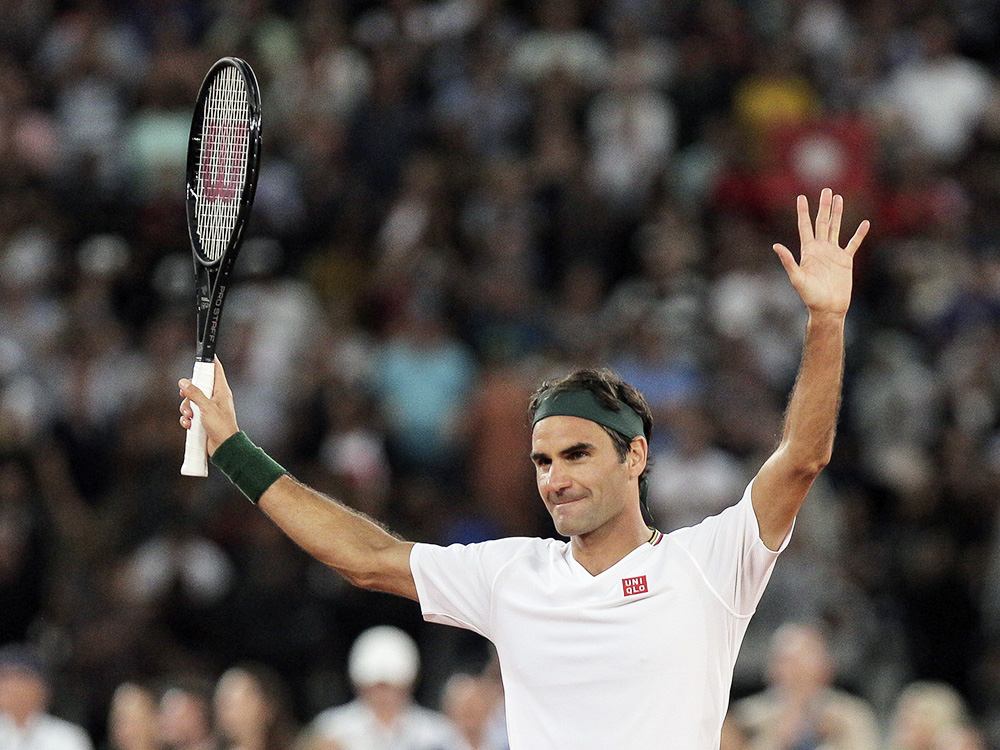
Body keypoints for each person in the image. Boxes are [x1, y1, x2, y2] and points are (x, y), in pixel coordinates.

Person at [179, 189, 869, 748]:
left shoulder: (709, 565)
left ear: (636, 456)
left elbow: (801, 458)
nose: (554, 478)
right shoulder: (512, 576)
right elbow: (368, 557)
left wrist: (826, 321)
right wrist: (233, 448)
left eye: (576, 455)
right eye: (542, 460)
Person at [304, 625, 461, 750]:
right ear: (358, 684)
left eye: (391, 687)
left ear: (409, 684)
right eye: (377, 687)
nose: (384, 696)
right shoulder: (331, 729)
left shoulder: (437, 732)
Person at [729, 622, 880, 750]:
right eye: (783, 663)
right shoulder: (747, 718)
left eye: (799, 667)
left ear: (825, 669)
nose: (788, 673)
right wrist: (778, 737)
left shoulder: (851, 716)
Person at [0, 643, 94, 750]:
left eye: (20, 679)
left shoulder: (66, 736)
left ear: (42, 689)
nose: (10, 688)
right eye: (4, 679)